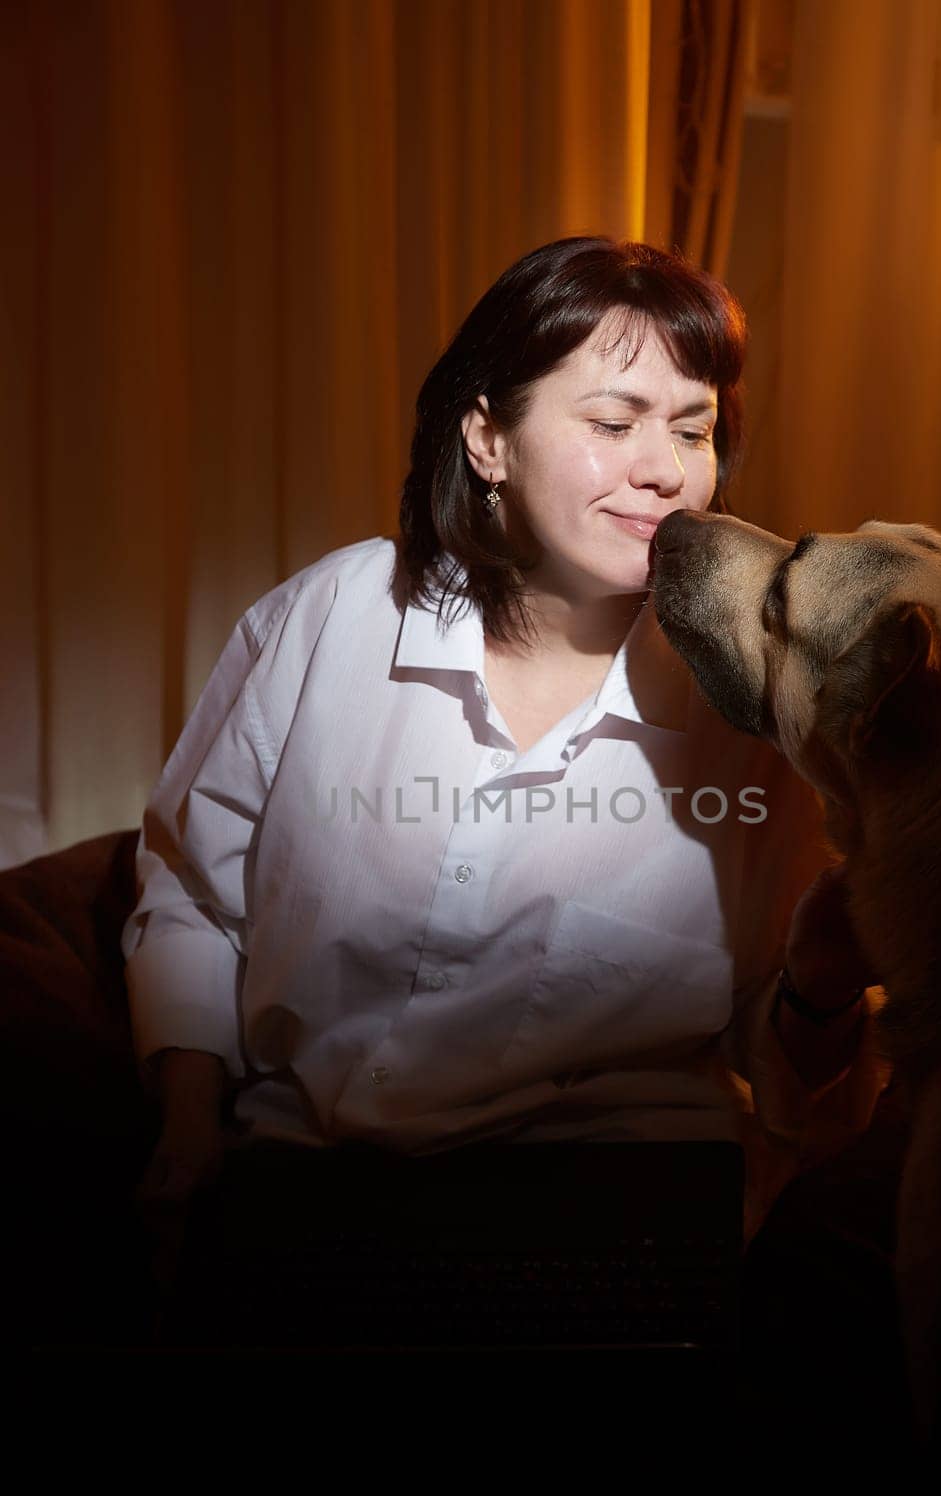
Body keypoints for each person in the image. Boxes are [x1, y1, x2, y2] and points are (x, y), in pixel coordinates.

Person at [122, 235, 890, 1310]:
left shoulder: (755, 718)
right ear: (488, 438)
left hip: (618, 1229)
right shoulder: (331, 619)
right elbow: (194, 897)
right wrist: (188, 1129)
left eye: (693, 428)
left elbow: (798, 1100)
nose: (665, 467)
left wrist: (817, 984)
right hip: (300, 1183)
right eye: (615, 422)